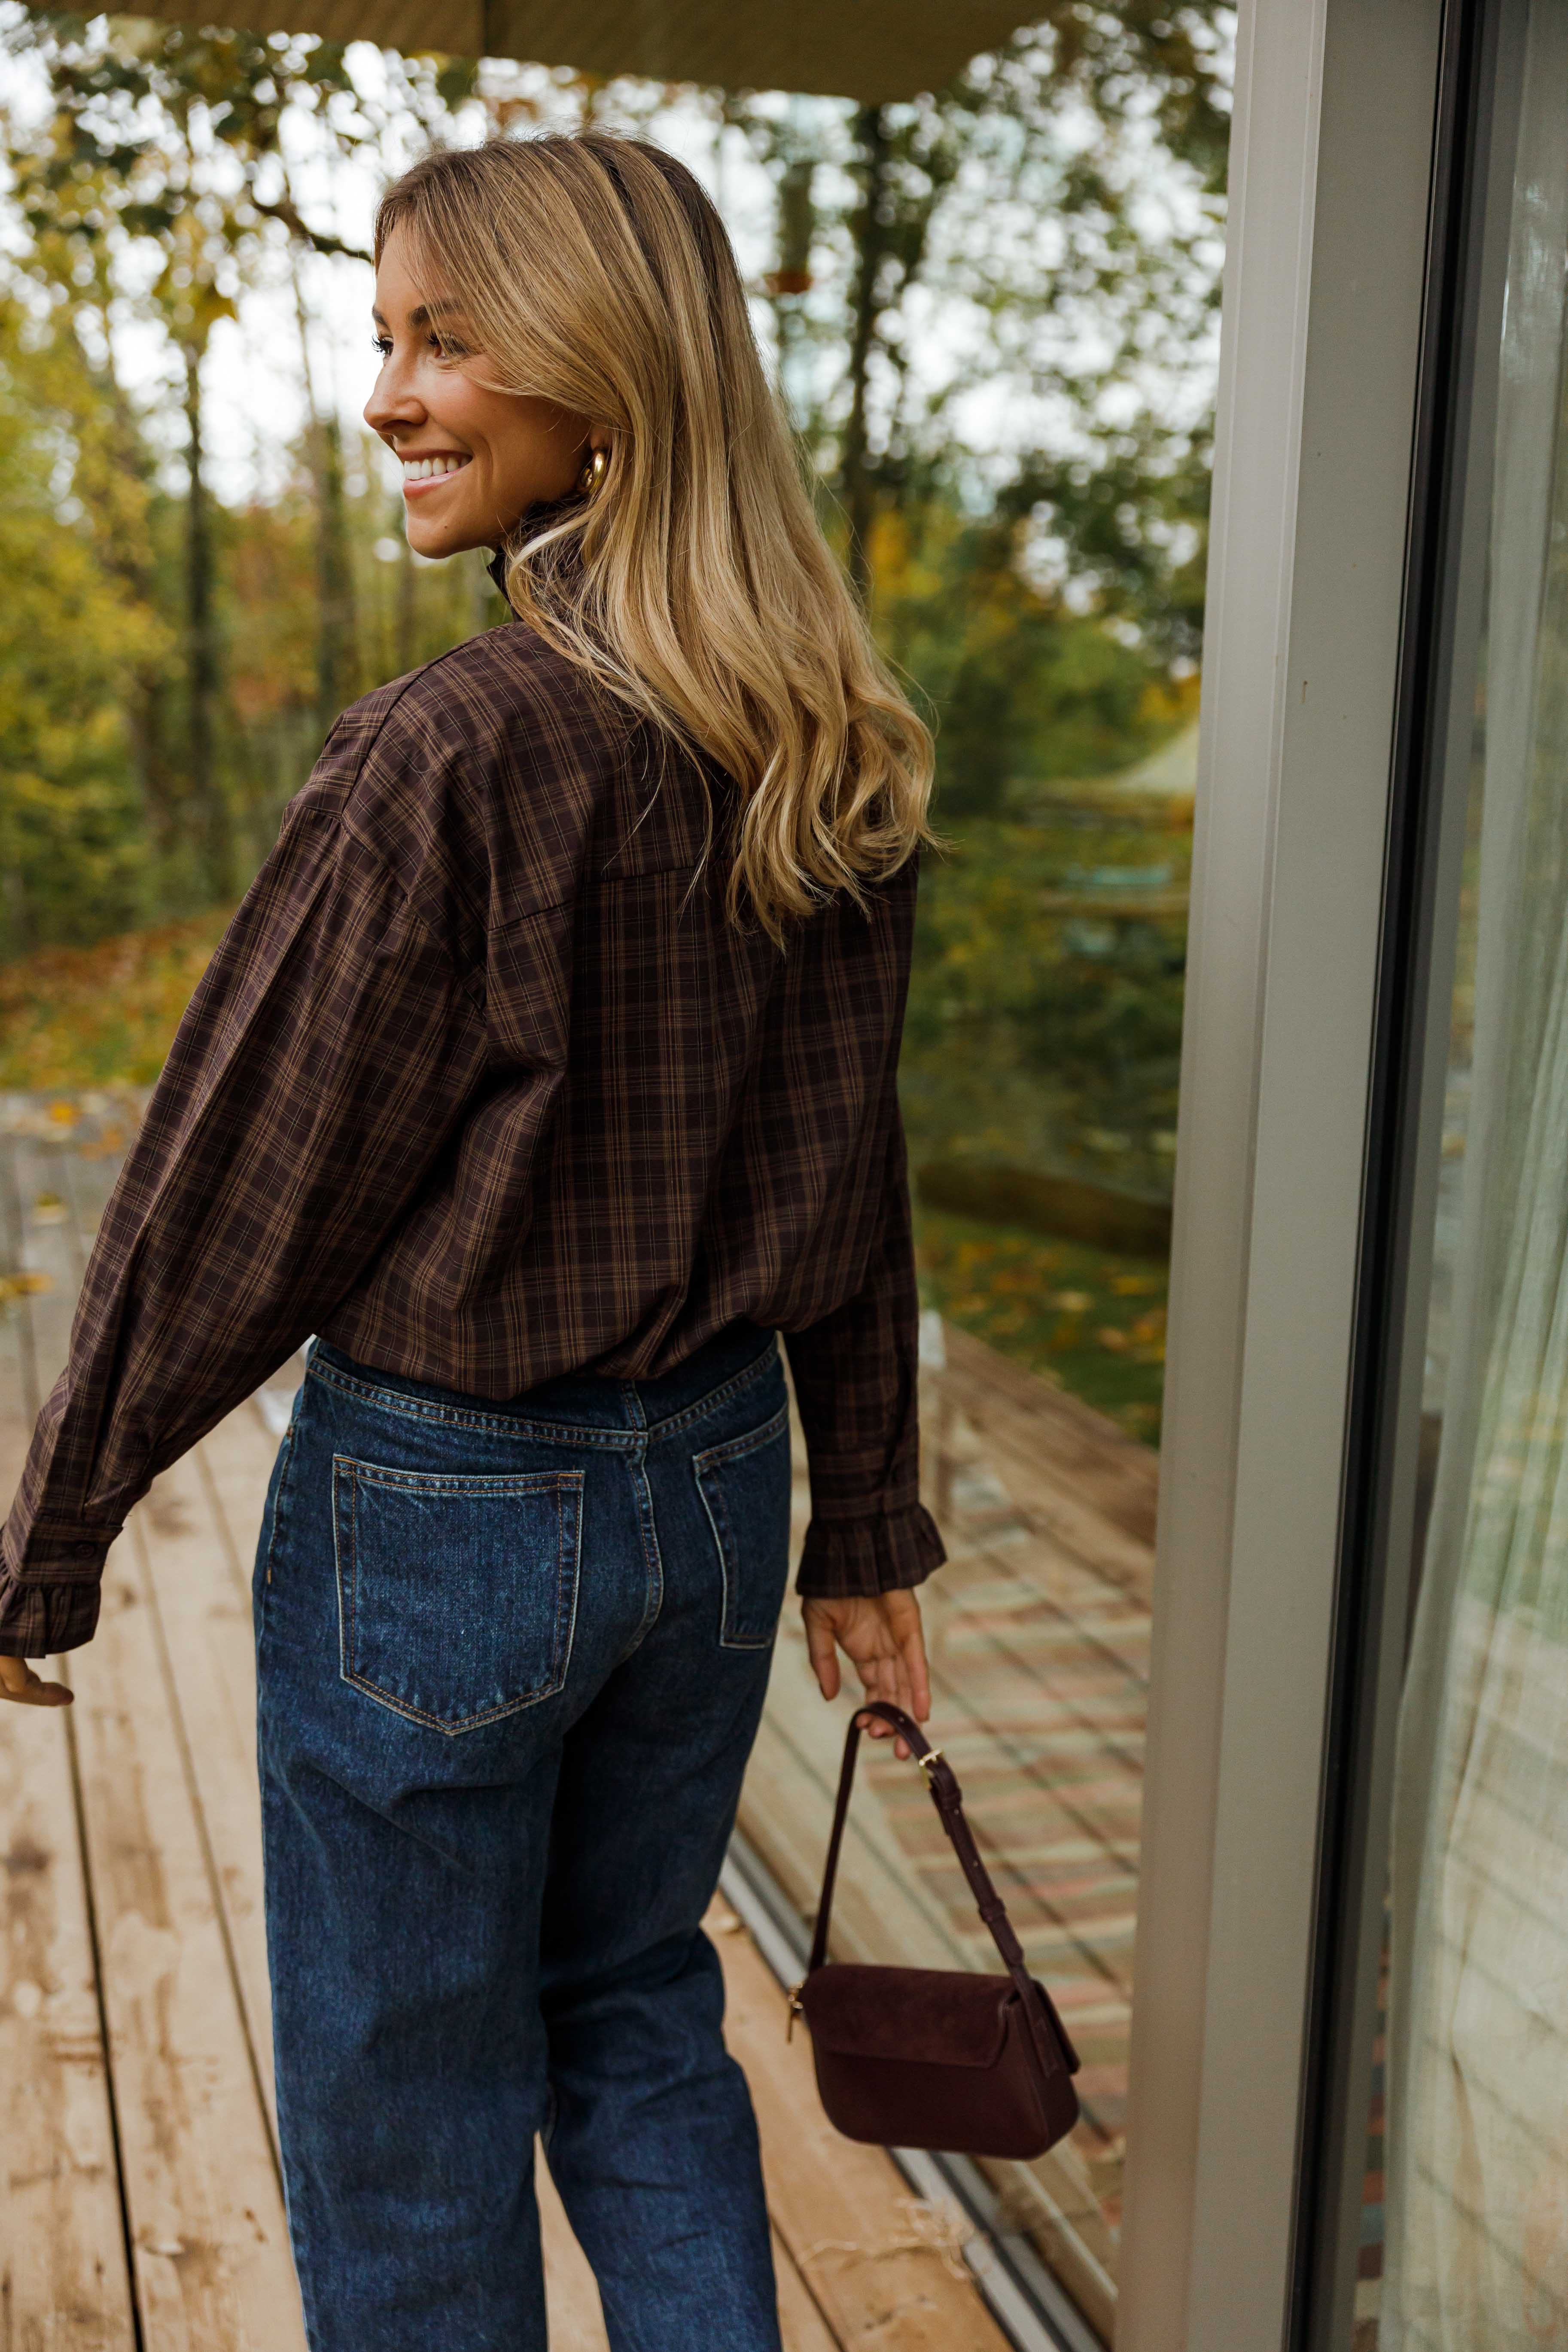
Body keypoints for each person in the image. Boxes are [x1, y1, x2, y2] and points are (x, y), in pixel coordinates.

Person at [0, 130, 944, 2351]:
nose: (388, 396)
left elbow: (238, 1183)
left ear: (605, 375)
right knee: (634, 2010)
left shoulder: (448, 754)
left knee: (406, 2100)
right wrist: (860, 1513)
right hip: (714, 1496)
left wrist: (57, 1521)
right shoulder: (823, 744)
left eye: (445, 340)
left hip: (447, 1521)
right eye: (381, 339)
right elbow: (850, 1170)